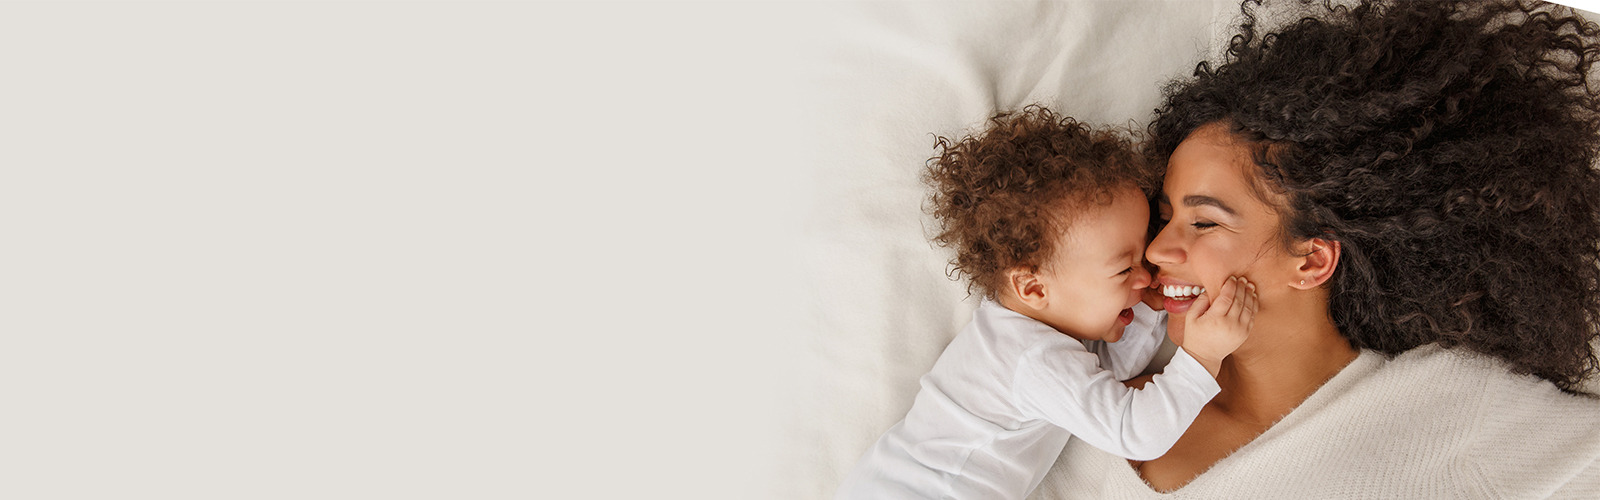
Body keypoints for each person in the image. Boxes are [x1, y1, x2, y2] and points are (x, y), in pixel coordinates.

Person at [1027, 1, 1600, 497]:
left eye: (1203, 223)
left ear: (1313, 260)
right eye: (1167, 215)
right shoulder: (1098, 399)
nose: (1156, 250)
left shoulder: (1447, 408)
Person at [835, 106, 1258, 499]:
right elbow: (1133, 429)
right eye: (1123, 269)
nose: (1146, 275)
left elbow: (1109, 379)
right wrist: (1202, 357)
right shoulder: (1032, 358)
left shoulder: (1035, 334)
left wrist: (1147, 307)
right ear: (1034, 288)